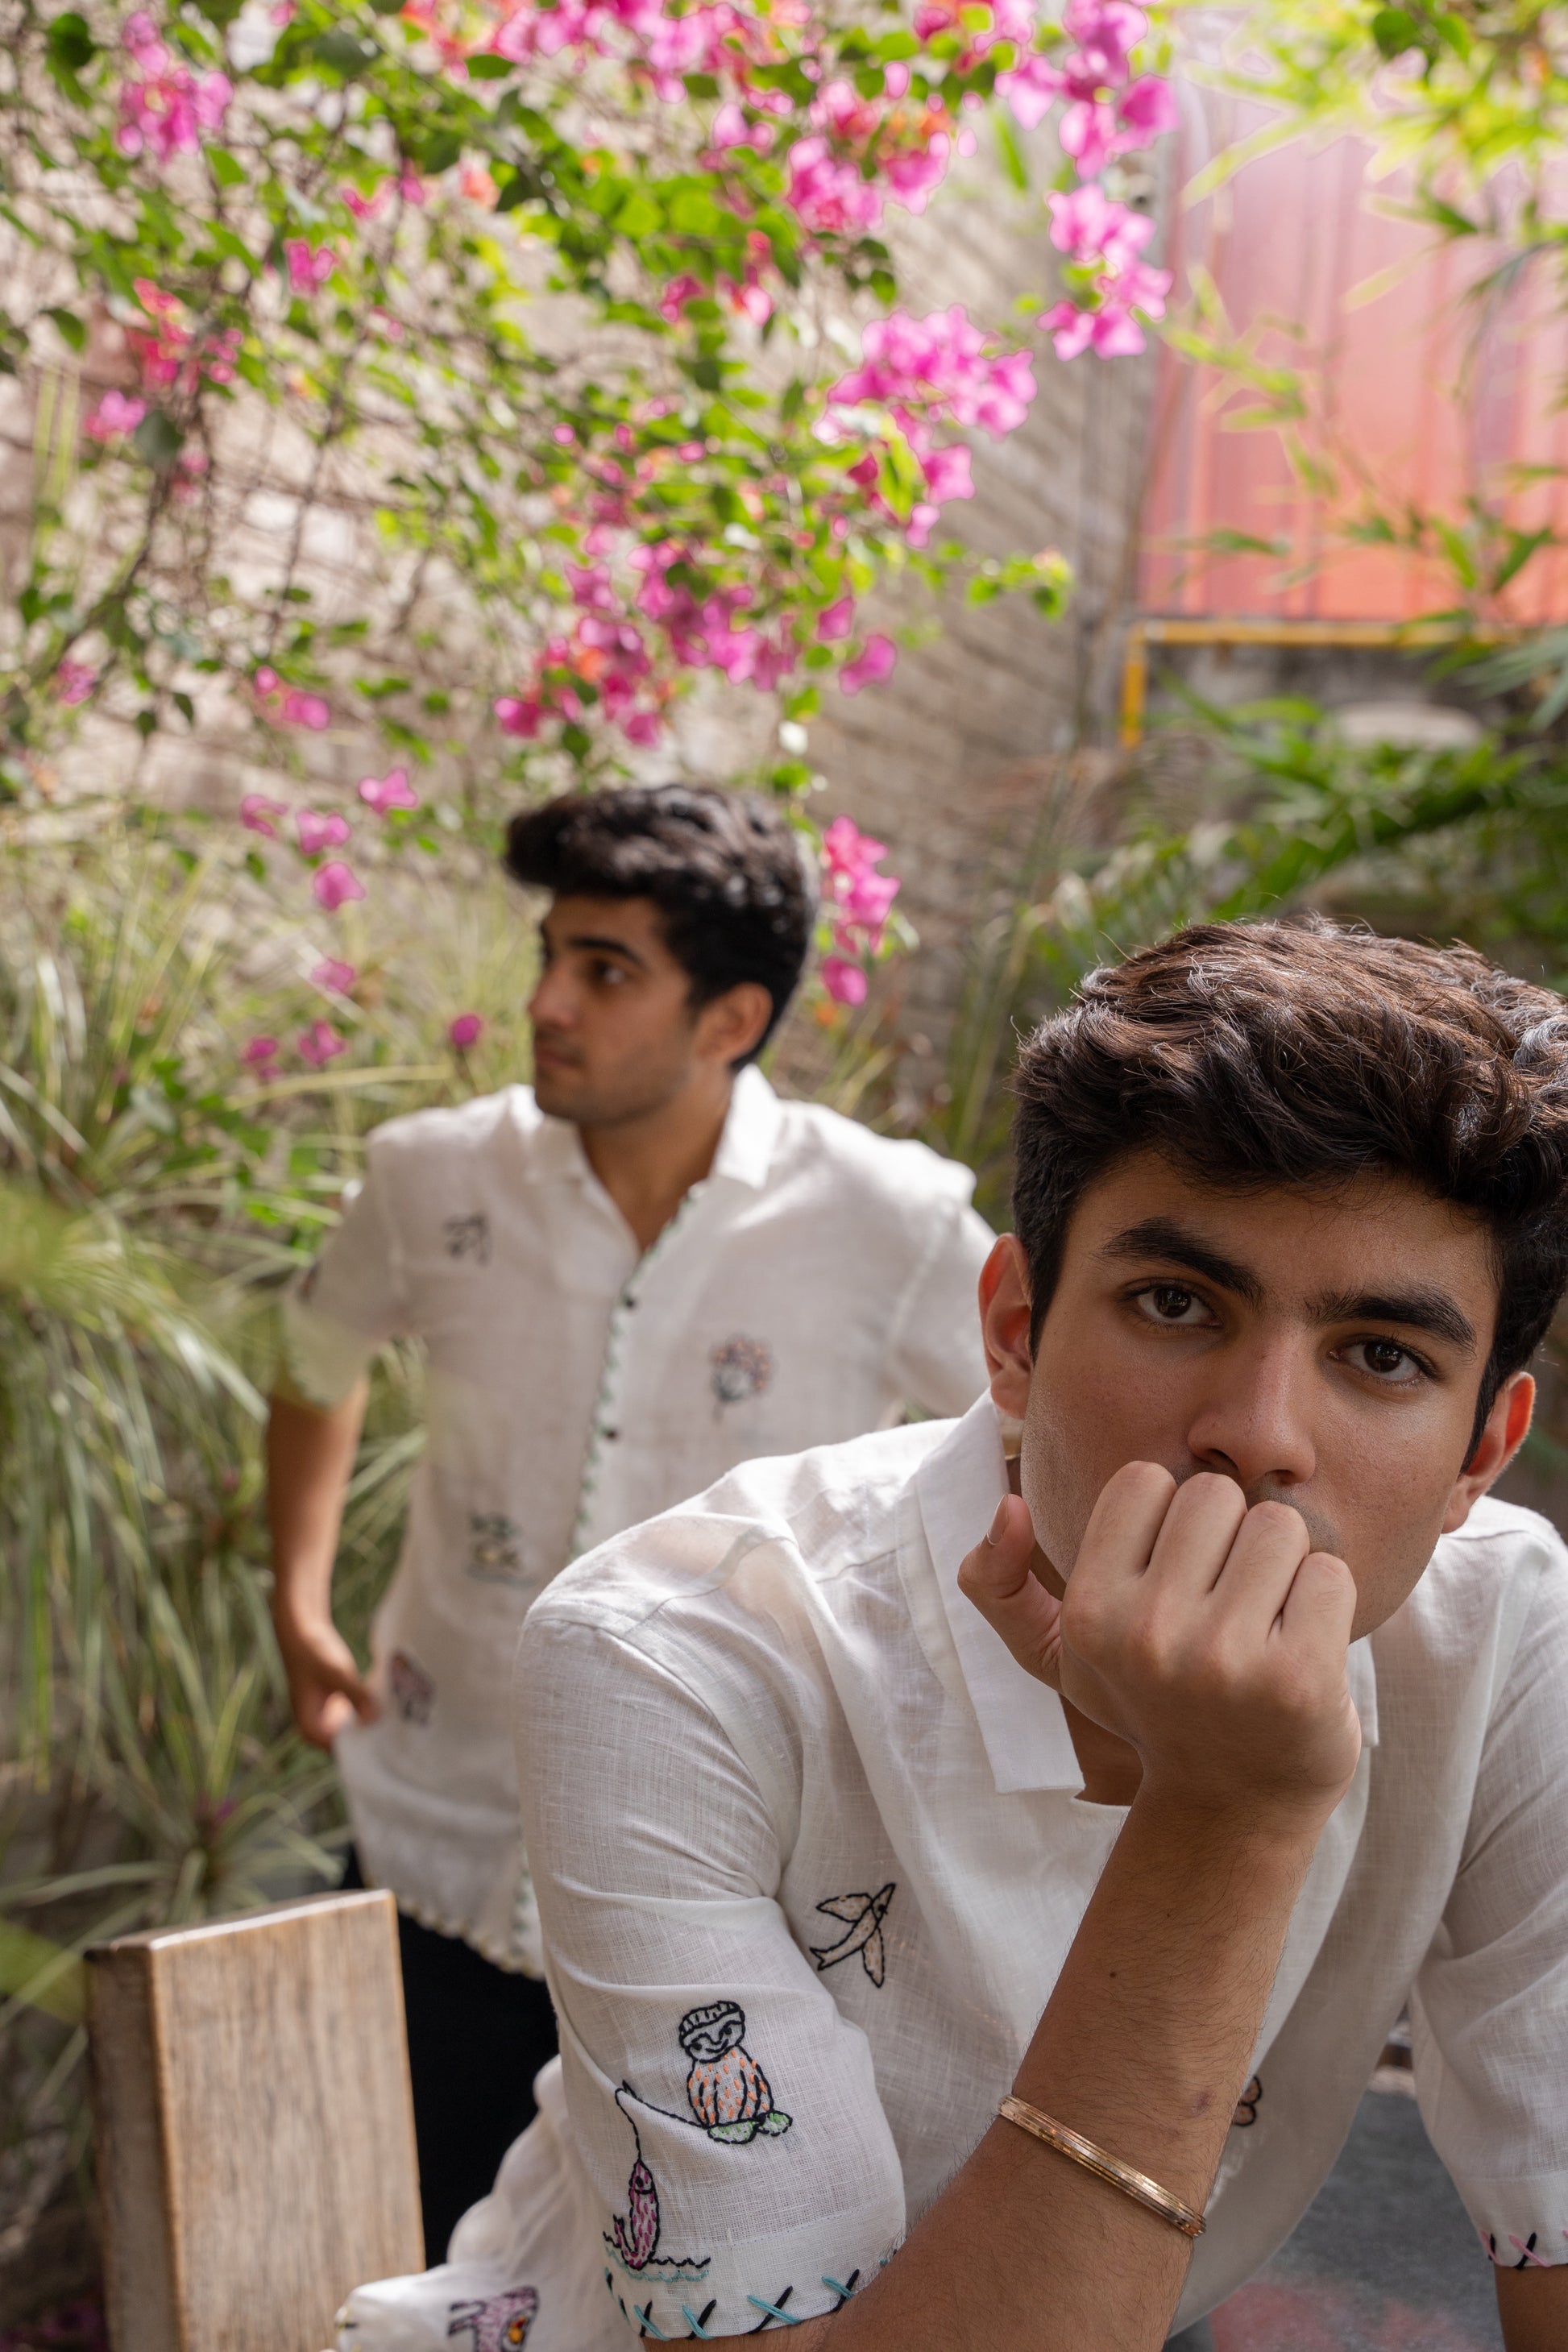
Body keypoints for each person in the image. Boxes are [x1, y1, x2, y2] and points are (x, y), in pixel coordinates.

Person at [338, 915, 1568, 2351]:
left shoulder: (1502, 1641)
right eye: (1175, 1304)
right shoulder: (679, 1659)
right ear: (1015, 1334)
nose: (1257, 1435)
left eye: (1379, 1357)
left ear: (1483, 1444)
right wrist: (1225, 1813)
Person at [267, 783, 994, 2259]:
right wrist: (298, 1600)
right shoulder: (430, 1178)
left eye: (603, 971)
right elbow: (310, 1358)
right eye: (549, 953)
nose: (543, 1003)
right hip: (436, 1837)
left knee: (683, 2286)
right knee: (393, 2260)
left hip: (735, 1887)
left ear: (729, 1018)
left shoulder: (892, 1223)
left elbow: (1049, 1419)